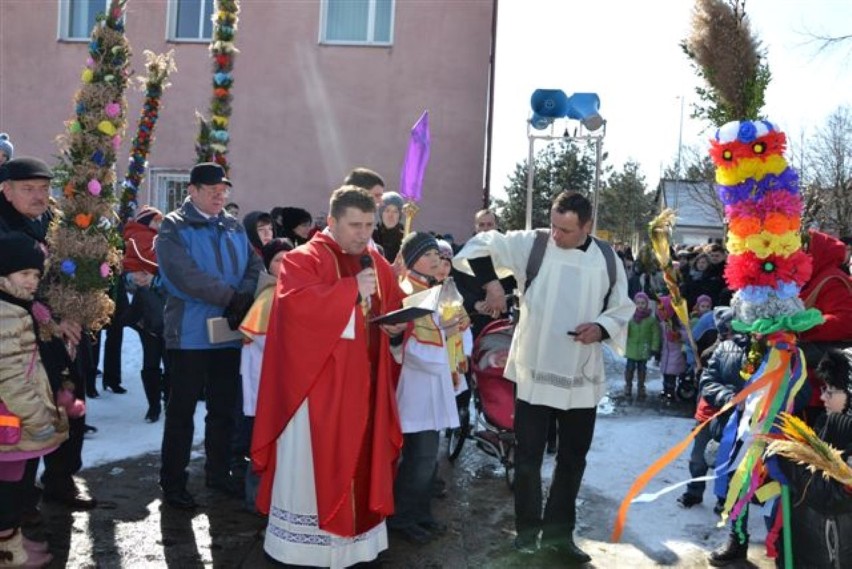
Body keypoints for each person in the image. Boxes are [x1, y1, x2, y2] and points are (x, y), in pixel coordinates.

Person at [453, 191, 634, 562]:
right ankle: (526, 534)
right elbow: (476, 247)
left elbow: (621, 306)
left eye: (566, 230)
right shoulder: (532, 244)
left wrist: (600, 328)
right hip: (535, 372)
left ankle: (559, 537)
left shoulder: (606, 258)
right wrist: (491, 284)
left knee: (572, 459)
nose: (556, 235)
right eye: (554, 225)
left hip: (580, 375)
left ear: (587, 226)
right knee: (528, 459)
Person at [251, 185, 407, 568]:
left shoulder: (375, 261)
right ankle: (303, 547)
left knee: (362, 466)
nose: (363, 234)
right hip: (316, 392)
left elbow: (396, 310)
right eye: (354, 225)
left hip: (363, 390)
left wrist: (396, 331)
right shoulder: (302, 259)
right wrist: (350, 291)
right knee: (312, 474)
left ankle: (357, 546)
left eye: (369, 225)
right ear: (332, 221)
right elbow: (295, 314)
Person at [155, 162, 263, 509]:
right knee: (181, 411)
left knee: (222, 410)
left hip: (228, 333)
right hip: (189, 335)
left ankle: (217, 474)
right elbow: (183, 276)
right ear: (193, 190)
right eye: (213, 189)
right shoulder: (173, 228)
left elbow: (254, 266)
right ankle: (173, 482)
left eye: (224, 190)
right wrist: (231, 298)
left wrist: (245, 296)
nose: (220, 195)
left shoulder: (232, 226)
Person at [0, 157, 92, 511]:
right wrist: (53, 317)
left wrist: (79, 307)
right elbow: (12, 289)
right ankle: (18, 505)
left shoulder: (53, 221)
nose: (39, 196)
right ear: (6, 192)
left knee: (71, 399)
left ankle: (62, 478)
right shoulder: (3, 228)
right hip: (20, 340)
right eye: (29, 189)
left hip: (64, 332)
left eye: (44, 188)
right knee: (28, 413)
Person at [389, 232, 472, 545]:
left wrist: (450, 330)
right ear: (413, 260)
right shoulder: (408, 289)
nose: (436, 258)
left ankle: (420, 513)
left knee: (428, 457)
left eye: (437, 253)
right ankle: (403, 517)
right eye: (428, 254)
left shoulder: (434, 288)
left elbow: (448, 331)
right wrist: (444, 332)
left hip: (434, 381)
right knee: (419, 456)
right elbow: (408, 346)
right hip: (416, 384)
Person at [0, 232, 70, 568]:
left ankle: (15, 542)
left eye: (36, 274)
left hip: (16, 419)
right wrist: (40, 421)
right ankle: (9, 553)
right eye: (24, 274)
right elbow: (11, 380)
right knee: (6, 492)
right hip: (12, 420)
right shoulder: (6, 316)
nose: (32, 281)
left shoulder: (19, 307)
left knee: (14, 487)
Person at [772, 348, 852, 568]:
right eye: (824, 388)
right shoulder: (828, 422)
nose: (822, 396)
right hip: (810, 545)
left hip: (835, 553)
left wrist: (787, 458)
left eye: (831, 391)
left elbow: (831, 495)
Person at [236, 237, 293, 512]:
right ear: (268, 265)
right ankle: (256, 497)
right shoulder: (268, 295)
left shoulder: (292, 292)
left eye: (289, 259)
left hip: (281, 383)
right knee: (261, 440)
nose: (284, 265)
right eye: (278, 260)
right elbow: (262, 340)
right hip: (262, 383)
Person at [678, 307, 736, 511]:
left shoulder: (746, 355)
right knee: (698, 458)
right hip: (706, 414)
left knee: (727, 460)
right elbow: (706, 382)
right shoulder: (712, 353)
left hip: (731, 417)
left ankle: (724, 498)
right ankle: (694, 491)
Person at [122, 205, 169, 422]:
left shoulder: (165, 240)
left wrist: (155, 280)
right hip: (148, 313)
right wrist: (133, 278)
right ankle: (154, 406)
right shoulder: (142, 237)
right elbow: (135, 267)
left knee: (171, 361)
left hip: (169, 312)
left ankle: (169, 401)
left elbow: (177, 277)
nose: (160, 224)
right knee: (151, 360)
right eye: (157, 220)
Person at [623, 292, 660, 401]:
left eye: (643, 303)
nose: (640, 305)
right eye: (638, 303)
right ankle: (628, 385)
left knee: (642, 369)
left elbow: (655, 334)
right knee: (629, 369)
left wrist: (654, 347)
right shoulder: (630, 318)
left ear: (647, 304)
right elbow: (625, 332)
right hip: (631, 349)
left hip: (644, 349)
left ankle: (641, 387)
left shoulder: (651, 319)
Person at [656, 295, 687, 402]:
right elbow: (660, 337)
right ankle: (666, 390)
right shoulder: (662, 323)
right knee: (666, 374)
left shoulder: (679, 321)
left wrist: (678, 335)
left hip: (676, 352)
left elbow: (687, 334)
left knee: (672, 375)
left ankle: (671, 392)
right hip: (666, 353)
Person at [373, 191, 405, 264]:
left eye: (395, 212)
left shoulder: (405, 238)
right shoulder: (371, 236)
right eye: (387, 211)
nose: (391, 216)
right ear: (381, 213)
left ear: (399, 215)